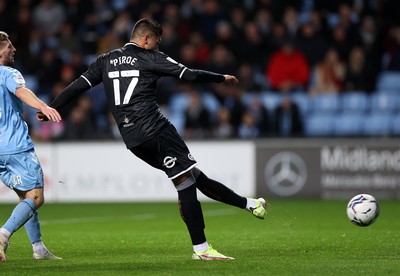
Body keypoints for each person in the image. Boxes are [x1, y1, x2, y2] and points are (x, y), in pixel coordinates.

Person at [38, 18, 267, 260]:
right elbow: (188, 75)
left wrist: (50, 107)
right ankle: (201, 249)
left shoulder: (105, 60)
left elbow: (77, 86)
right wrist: (220, 78)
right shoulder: (151, 58)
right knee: (185, 182)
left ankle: (249, 204)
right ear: (146, 39)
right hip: (156, 130)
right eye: (157, 41)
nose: (158, 47)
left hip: (133, 139)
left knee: (193, 176)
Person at [0, 31, 62, 262]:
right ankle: (3, 235)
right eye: (9, 47)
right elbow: (21, 91)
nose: (13, 50)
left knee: (24, 197)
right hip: (14, 145)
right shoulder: (7, 72)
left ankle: (38, 248)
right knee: (36, 197)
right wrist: (43, 106)